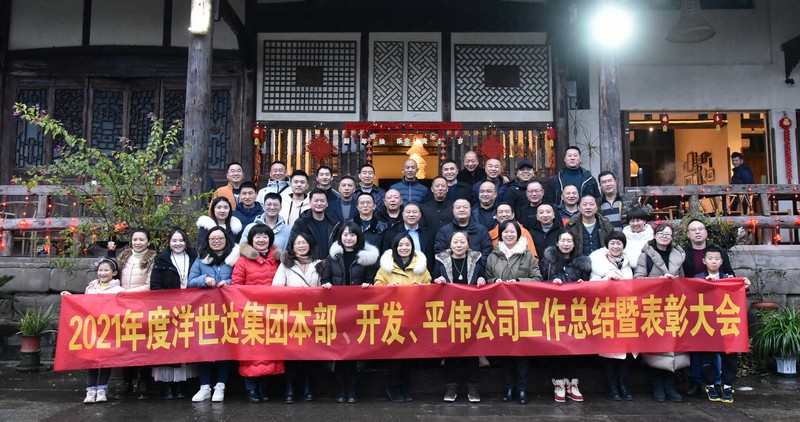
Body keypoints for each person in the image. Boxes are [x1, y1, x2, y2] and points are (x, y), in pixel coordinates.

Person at [320, 223, 380, 403]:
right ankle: (340, 388)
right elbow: (325, 277)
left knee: (355, 352)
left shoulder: (367, 257)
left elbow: (372, 279)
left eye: (352, 234)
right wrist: (326, 284)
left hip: (358, 313)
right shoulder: (333, 257)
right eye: (345, 234)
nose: (348, 238)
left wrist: (368, 285)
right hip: (337, 312)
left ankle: (353, 388)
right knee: (339, 352)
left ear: (358, 237)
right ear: (340, 237)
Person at [485, 220, 543, 405]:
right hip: (501, 310)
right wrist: (495, 281)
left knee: (522, 351)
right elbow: (487, 277)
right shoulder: (493, 255)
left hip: (523, 310)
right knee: (506, 351)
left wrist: (518, 282)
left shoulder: (527, 255)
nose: (509, 235)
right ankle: (509, 387)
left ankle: (523, 389)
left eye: (512, 232)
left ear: (518, 234)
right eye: (505, 232)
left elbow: (537, 279)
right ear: (500, 235)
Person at [633, 222, 686, 403]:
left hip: (673, 306)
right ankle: (657, 386)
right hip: (653, 306)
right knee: (655, 346)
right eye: (661, 233)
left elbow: (683, 280)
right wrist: (660, 280)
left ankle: (670, 386)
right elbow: (638, 279)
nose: (664, 237)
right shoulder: (645, 255)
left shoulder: (678, 254)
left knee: (673, 347)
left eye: (668, 234)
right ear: (654, 236)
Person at [375, 233, 432, 403]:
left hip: (414, 316)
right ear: (395, 247)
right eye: (400, 245)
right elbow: (377, 285)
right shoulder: (386, 266)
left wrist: (421, 288)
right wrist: (387, 288)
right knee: (396, 355)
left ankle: (405, 387)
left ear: (412, 247)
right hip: (393, 317)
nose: (404, 248)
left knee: (409, 355)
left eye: (407, 245)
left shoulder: (420, 266)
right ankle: (393, 387)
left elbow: (429, 285)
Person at [231, 224, 285, 403]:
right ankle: (251, 388)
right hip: (250, 313)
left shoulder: (278, 260)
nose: (261, 240)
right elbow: (236, 286)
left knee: (270, 351)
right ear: (251, 240)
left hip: (272, 313)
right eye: (257, 237)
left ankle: (264, 387)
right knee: (251, 352)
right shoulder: (243, 261)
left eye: (265, 236)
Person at [62, 257, 125, 404]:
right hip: (92, 330)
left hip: (109, 331)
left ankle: (102, 389)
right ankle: (90, 389)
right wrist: (70, 297)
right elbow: (83, 304)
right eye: (100, 270)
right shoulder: (91, 288)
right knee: (91, 359)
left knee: (106, 360)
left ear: (114, 273)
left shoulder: (119, 290)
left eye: (106, 270)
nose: (103, 273)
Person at [188, 226, 240, 403]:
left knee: (225, 347)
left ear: (226, 240)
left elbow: (241, 279)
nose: (216, 241)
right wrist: (204, 279)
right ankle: (204, 387)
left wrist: (228, 282)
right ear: (208, 241)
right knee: (205, 348)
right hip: (206, 312)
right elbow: (190, 282)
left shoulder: (235, 257)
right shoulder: (200, 259)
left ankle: (220, 385)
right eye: (213, 238)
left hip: (228, 310)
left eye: (220, 238)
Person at [539, 229, 592, 403]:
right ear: (557, 242)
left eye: (569, 241)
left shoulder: (582, 262)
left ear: (574, 244)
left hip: (574, 311)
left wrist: (582, 284)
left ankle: (573, 382)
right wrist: (551, 283)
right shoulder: (548, 260)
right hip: (553, 311)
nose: (566, 244)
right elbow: (538, 282)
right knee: (557, 347)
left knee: (573, 347)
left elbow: (589, 285)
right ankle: (559, 383)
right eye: (563, 240)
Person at [433, 231, 486, 402]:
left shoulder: (477, 260)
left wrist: (482, 280)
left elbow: (484, 277)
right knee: (451, 351)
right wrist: (437, 280)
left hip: (471, 312)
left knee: (472, 351)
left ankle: (473, 388)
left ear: (468, 244)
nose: (458, 245)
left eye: (462, 242)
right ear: (450, 244)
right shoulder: (441, 261)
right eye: (455, 241)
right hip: (449, 313)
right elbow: (433, 279)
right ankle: (451, 388)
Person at [693, 246, 750, 404]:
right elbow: (690, 293)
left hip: (726, 322)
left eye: (717, 259)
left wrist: (744, 285)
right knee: (708, 356)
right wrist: (704, 284)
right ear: (704, 261)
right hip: (707, 323)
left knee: (729, 356)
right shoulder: (698, 277)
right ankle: (710, 385)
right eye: (710, 259)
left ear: (722, 261)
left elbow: (739, 292)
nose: (713, 262)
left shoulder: (728, 278)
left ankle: (727, 386)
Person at [273, 232, 324, 402]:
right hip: (291, 317)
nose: (301, 246)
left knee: (309, 355)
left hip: (312, 316)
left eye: (304, 243)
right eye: (298, 243)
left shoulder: (319, 264)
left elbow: (324, 288)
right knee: (291, 355)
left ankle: (308, 388)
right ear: (292, 247)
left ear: (310, 245)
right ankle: (290, 390)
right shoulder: (285, 265)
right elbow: (276, 287)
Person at [149, 229, 198, 400]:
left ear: (186, 242)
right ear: (169, 242)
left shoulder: (194, 258)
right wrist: (170, 301)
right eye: (174, 240)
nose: (178, 244)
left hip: (190, 310)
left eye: (181, 240)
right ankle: (167, 386)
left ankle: (182, 385)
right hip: (167, 311)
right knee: (167, 347)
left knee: (185, 346)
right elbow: (155, 285)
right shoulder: (161, 260)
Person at [589, 231, 635, 401]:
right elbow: (591, 285)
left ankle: (623, 384)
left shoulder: (629, 263)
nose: (616, 247)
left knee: (625, 353)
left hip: (626, 313)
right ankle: (612, 386)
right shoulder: (598, 263)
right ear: (607, 245)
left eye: (619, 243)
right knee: (608, 352)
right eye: (612, 243)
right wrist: (607, 279)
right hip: (606, 313)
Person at [113, 228, 157, 400]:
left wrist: (127, 292)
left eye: (141, 240)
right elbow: (113, 278)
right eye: (135, 239)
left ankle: (144, 381)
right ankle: (127, 382)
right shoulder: (123, 257)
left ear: (148, 241)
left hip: (142, 306)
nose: (138, 243)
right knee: (126, 345)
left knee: (143, 345)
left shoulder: (152, 258)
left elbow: (149, 284)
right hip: (123, 307)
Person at [434, 199, 493, 268]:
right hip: (450, 270)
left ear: (470, 210)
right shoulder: (444, 231)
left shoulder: (481, 230)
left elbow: (487, 250)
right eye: (458, 207)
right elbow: (440, 252)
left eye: (465, 207)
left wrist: (477, 267)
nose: (462, 210)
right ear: (453, 211)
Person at [381, 203, 435, 272]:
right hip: (398, 273)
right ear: (403, 214)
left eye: (414, 212)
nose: (411, 215)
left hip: (424, 273)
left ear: (420, 215)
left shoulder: (429, 233)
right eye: (408, 212)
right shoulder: (392, 233)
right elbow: (387, 255)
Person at [290, 188, 341, 260]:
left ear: (327, 204)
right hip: (308, 264)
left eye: (322, 201)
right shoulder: (301, 223)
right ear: (310, 203)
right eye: (316, 201)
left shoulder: (335, 224)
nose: (319, 203)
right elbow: (291, 246)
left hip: (330, 264)